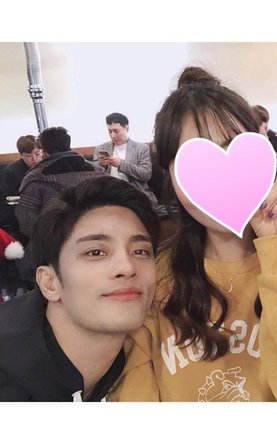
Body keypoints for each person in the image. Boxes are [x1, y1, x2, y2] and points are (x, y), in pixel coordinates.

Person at [109, 66, 277, 402]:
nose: (221, 181)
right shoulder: (151, 281)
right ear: (170, 177)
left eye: (232, 149)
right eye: (196, 164)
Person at [0, 176, 159, 401]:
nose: (127, 267)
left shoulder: (145, 352)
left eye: (140, 251)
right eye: (96, 252)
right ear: (49, 283)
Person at [16, 127, 105, 239]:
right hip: (101, 235)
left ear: (44, 150)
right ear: (68, 145)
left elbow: (26, 223)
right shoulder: (99, 172)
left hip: (56, 241)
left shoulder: (35, 179)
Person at [93, 112, 161, 212]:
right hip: (108, 195)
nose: (113, 135)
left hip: (134, 194)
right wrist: (101, 165)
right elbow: (92, 176)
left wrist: (121, 164)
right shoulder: (101, 148)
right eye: (109, 131)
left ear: (126, 129)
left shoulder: (141, 148)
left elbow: (146, 174)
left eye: (116, 131)